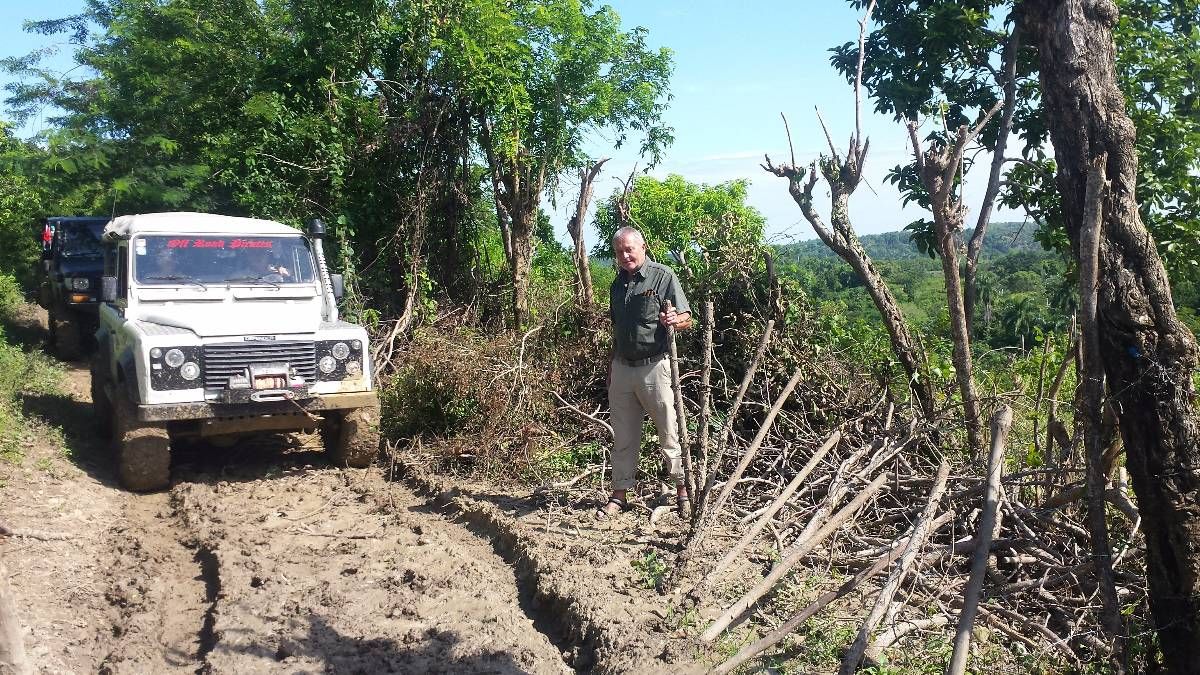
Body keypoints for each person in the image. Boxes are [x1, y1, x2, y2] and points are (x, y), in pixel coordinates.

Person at [596, 226, 693, 520]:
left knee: (669, 432)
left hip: (655, 367)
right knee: (623, 436)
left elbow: (687, 318)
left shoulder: (663, 276)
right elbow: (617, 330)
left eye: (629, 249)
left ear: (642, 247)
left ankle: (683, 492)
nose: (625, 255)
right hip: (622, 369)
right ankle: (619, 495)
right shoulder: (617, 284)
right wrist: (612, 366)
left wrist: (674, 320)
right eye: (619, 252)